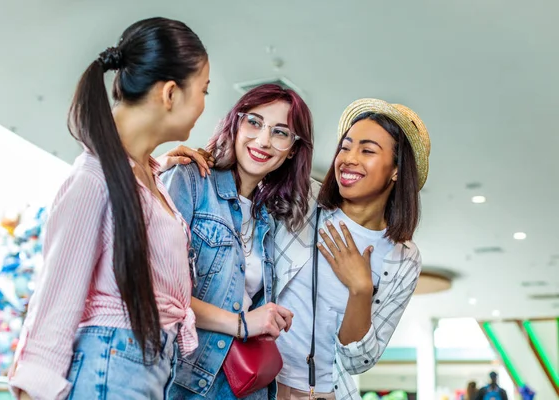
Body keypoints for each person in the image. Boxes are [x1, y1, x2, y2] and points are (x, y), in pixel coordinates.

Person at [8, 17, 210, 400]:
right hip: (112, 366)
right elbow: (56, 300)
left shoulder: (140, 176)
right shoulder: (93, 178)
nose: (203, 104)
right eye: (203, 89)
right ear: (170, 93)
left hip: (138, 366)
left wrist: (160, 166)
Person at [160, 84, 314, 399]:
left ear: (293, 149)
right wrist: (242, 323)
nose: (263, 141)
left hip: (244, 387)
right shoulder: (189, 180)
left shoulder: (269, 218)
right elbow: (161, 294)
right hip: (184, 382)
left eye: (280, 132)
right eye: (254, 122)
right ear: (236, 123)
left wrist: (268, 316)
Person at [273, 98, 431, 400]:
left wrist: (360, 288)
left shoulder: (404, 259)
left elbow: (358, 360)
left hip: (325, 393)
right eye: (345, 146)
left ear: (397, 170)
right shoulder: (304, 202)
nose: (349, 158)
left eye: (367, 150)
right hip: (258, 381)